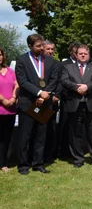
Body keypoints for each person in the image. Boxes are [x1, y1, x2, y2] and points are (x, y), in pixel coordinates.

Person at [15, 34, 59, 175]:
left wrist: (45, 95)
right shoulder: (21, 60)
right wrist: (39, 93)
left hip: (43, 104)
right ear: (30, 46)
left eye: (42, 45)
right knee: (25, 136)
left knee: (41, 135)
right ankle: (23, 165)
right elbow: (22, 81)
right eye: (38, 46)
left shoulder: (50, 61)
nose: (41, 48)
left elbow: (53, 79)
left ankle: (38, 163)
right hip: (28, 102)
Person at [61, 44, 92, 168]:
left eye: (85, 53)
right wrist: (77, 87)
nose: (82, 55)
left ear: (89, 55)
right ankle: (78, 159)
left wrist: (87, 87)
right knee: (75, 133)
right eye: (80, 53)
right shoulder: (68, 67)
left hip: (91, 104)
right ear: (76, 55)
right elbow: (64, 81)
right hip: (74, 104)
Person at [57, 41, 81, 159]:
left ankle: (77, 150)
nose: (77, 54)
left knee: (77, 126)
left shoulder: (84, 64)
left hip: (81, 100)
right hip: (68, 99)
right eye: (75, 52)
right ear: (71, 51)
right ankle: (64, 151)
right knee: (65, 125)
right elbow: (62, 82)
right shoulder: (64, 64)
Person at [43, 39, 62, 163]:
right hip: (39, 101)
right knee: (39, 128)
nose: (50, 51)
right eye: (48, 49)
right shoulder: (38, 64)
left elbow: (60, 81)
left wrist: (57, 95)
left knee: (50, 129)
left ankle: (49, 156)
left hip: (52, 102)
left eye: (52, 49)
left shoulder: (57, 64)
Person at [0, 47, 18, 172]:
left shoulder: (10, 71)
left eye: (0, 54)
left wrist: (14, 97)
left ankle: (4, 161)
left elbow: (17, 84)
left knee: (7, 137)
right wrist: (3, 100)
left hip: (11, 109)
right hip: (1, 108)